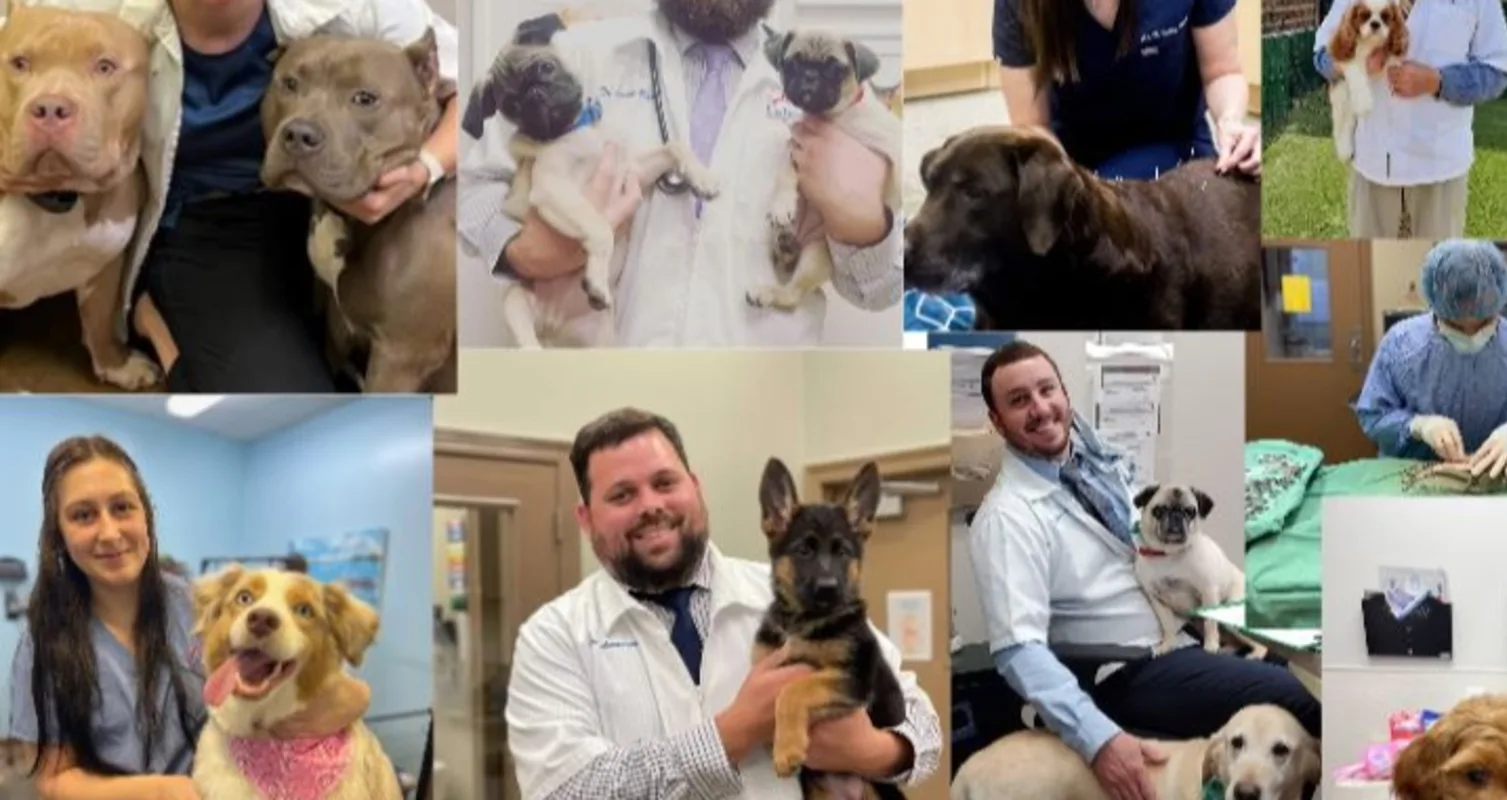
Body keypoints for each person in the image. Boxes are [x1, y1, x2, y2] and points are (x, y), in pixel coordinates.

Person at [15, 0, 458, 391]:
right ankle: (156, 315)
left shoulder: (350, 5)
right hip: (211, 220)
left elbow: (484, 92)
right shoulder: (93, 9)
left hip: (322, 203)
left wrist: (426, 167)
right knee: (283, 403)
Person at [504, 409, 943, 799]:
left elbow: (925, 726)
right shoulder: (553, 637)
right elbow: (566, 790)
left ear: (694, 487)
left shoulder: (788, 597)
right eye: (622, 495)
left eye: (664, 482)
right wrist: (732, 733)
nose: (651, 505)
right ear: (585, 518)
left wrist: (873, 752)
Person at [967, 341, 1320, 800]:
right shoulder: (1007, 518)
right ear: (997, 421)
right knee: (1296, 700)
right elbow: (1018, 651)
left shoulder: (1099, 465)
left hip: (1185, 633)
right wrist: (1100, 741)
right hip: (1127, 670)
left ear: (1064, 391)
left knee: (1315, 667)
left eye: (1046, 389)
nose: (1039, 407)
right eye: (1018, 401)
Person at [457, 0, 904, 348]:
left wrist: (865, 222)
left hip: (759, 383)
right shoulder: (578, 54)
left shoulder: (828, 90)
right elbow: (470, 192)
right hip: (596, 358)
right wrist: (523, 251)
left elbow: (880, 291)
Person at [9, 435, 367, 800]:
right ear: (59, 534)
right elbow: (52, 779)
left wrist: (352, 699)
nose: (109, 532)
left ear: (146, 515)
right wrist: (165, 791)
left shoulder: (203, 604)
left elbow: (337, 689)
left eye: (122, 508)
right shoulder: (44, 644)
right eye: (83, 515)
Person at [1353, 240, 1507, 477]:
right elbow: (1374, 414)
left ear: (1498, 304)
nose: (1470, 335)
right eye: (1454, 325)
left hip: (1501, 483)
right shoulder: (1400, 345)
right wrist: (1417, 426)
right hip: (1416, 482)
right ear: (1436, 306)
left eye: (1483, 322)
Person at [1311, 0, 1507, 239]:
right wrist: (1353, 64)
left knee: (1438, 270)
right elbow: (1321, 57)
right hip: (1372, 167)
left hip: (1440, 173)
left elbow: (1499, 70)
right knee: (1374, 270)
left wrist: (1438, 81)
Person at [992, 0, 1261, 179]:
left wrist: (1230, 122)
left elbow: (1222, 72)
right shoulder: (1021, 5)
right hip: (1076, 165)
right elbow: (1032, 129)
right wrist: (1066, 186)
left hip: (1177, 147)